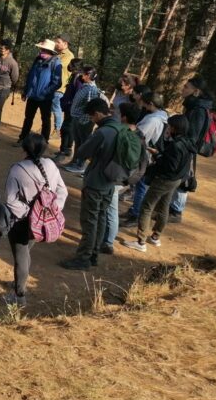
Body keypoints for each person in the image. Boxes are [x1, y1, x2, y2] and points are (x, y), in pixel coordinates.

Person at [4, 134, 67, 307]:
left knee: (21, 256)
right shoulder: (51, 165)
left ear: (24, 149)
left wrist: (29, 213)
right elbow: (62, 191)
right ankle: (19, 282)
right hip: (42, 221)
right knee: (26, 252)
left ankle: (19, 296)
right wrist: (51, 209)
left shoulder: (17, 169)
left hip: (22, 221)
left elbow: (11, 200)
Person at [60, 99, 121, 270]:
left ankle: (83, 258)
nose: (92, 120)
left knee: (89, 222)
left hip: (95, 182)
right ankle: (94, 254)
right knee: (101, 218)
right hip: (110, 182)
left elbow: (82, 152)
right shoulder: (120, 128)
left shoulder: (103, 132)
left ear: (98, 113)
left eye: (92, 116)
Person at [122, 114, 193, 252]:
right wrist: (160, 154)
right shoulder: (187, 142)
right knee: (164, 206)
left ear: (175, 128)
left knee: (146, 207)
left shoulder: (176, 145)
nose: (167, 129)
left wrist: (158, 156)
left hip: (165, 180)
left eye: (169, 126)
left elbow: (169, 166)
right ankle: (155, 237)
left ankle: (141, 241)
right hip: (176, 180)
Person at [169, 76, 214, 223]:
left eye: (186, 87)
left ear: (196, 92)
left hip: (187, 148)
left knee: (184, 178)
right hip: (184, 146)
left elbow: (193, 135)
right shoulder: (194, 106)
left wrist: (180, 144)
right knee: (179, 175)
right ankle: (172, 207)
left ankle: (176, 211)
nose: (183, 89)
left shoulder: (198, 109)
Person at [121, 92, 168, 227]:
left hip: (145, 156)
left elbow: (139, 136)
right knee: (140, 185)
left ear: (151, 104)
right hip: (147, 155)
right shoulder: (162, 115)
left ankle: (136, 214)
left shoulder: (153, 120)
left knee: (141, 186)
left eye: (144, 103)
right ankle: (134, 210)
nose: (142, 106)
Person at [101, 102, 143, 255]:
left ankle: (108, 242)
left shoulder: (120, 133)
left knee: (110, 210)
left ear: (124, 117)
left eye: (118, 112)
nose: (114, 113)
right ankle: (105, 238)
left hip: (114, 178)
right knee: (108, 209)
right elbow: (143, 162)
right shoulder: (140, 135)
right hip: (124, 178)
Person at [14, 40, 62, 146]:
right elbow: (30, 76)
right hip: (32, 95)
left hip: (45, 98)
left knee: (45, 120)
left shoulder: (55, 63)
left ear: (50, 51)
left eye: (44, 49)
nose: (41, 51)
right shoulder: (38, 59)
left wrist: (45, 93)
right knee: (28, 118)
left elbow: (57, 83)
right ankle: (22, 139)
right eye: (41, 49)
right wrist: (26, 91)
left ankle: (44, 142)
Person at [63, 65, 102, 174]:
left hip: (84, 121)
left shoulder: (92, 89)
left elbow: (91, 107)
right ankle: (74, 161)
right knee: (78, 142)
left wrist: (83, 119)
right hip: (77, 119)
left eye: (83, 74)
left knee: (84, 143)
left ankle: (80, 165)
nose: (81, 75)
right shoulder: (85, 86)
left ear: (88, 75)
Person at [54, 58, 84, 160]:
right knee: (69, 129)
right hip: (69, 108)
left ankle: (63, 151)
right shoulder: (74, 76)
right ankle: (67, 149)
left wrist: (69, 104)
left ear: (76, 66)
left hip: (72, 108)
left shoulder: (78, 79)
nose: (69, 66)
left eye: (71, 64)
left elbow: (77, 95)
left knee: (66, 129)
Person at [52, 34, 75, 142]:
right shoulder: (58, 54)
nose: (56, 43)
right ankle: (55, 129)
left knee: (57, 109)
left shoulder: (69, 56)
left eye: (58, 42)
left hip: (60, 88)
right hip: (54, 86)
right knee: (54, 108)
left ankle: (57, 130)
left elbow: (57, 65)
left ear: (65, 43)